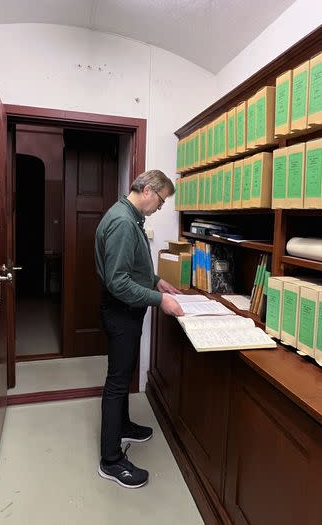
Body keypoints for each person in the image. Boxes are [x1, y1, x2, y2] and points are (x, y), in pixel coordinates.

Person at [94, 169, 184, 488]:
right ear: (147, 190)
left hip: (127, 311)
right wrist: (160, 300)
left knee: (124, 373)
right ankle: (111, 459)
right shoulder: (122, 222)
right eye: (160, 200)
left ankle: (123, 425)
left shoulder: (130, 217)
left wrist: (157, 281)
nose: (160, 207)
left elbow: (132, 266)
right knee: (118, 381)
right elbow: (119, 281)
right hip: (121, 312)